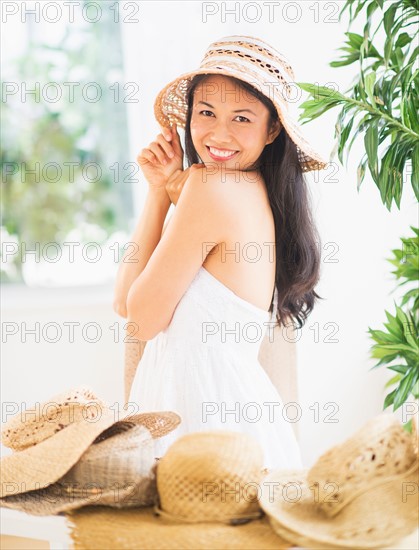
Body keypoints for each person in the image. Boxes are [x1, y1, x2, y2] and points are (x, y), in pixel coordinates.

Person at [113, 35, 327, 470]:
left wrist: (171, 192)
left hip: (204, 419)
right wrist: (161, 190)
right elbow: (126, 305)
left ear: (272, 130)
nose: (219, 133)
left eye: (242, 118)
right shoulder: (252, 191)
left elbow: (140, 318)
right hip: (227, 418)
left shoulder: (211, 189)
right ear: (188, 115)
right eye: (206, 112)